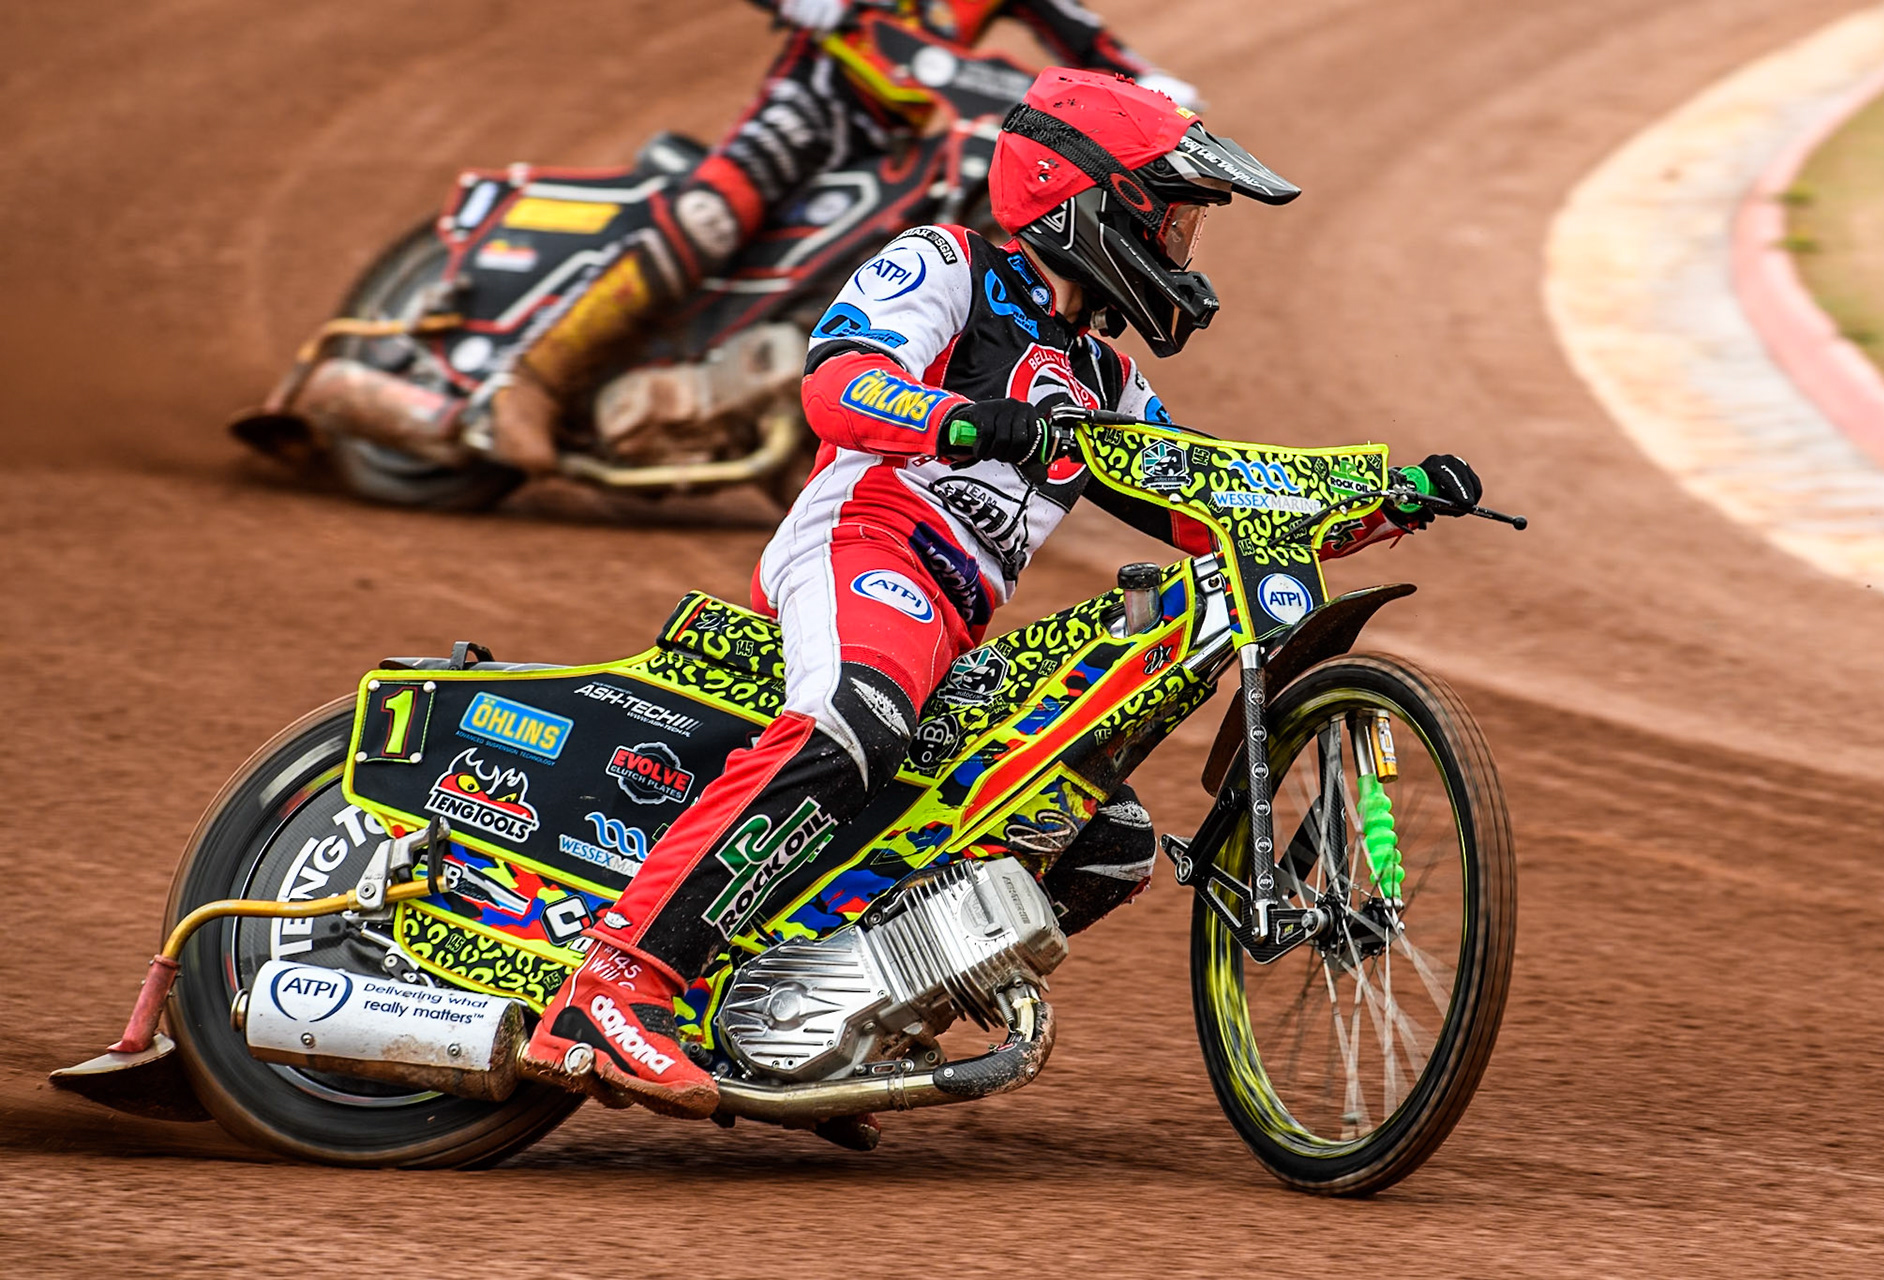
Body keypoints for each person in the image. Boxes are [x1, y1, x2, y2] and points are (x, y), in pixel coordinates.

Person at [520, 67, 1483, 1121]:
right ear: (1084, 199)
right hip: (865, 540)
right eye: (1170, 219)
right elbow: (837, 386)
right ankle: (612, 984)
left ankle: (832, 1013)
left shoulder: (1102, 379)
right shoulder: (948, 264)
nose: (1182, 250)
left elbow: (1212, 491)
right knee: (856, 719)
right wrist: (971, 421)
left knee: (1102, 840)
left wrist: (1381, 498)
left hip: (952, 613)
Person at [482, 0, 1203, 472]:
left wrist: (1154, 87)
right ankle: (535, 378)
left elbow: (1084, 38)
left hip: (903, 142)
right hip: (807, 111)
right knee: (711, 217)